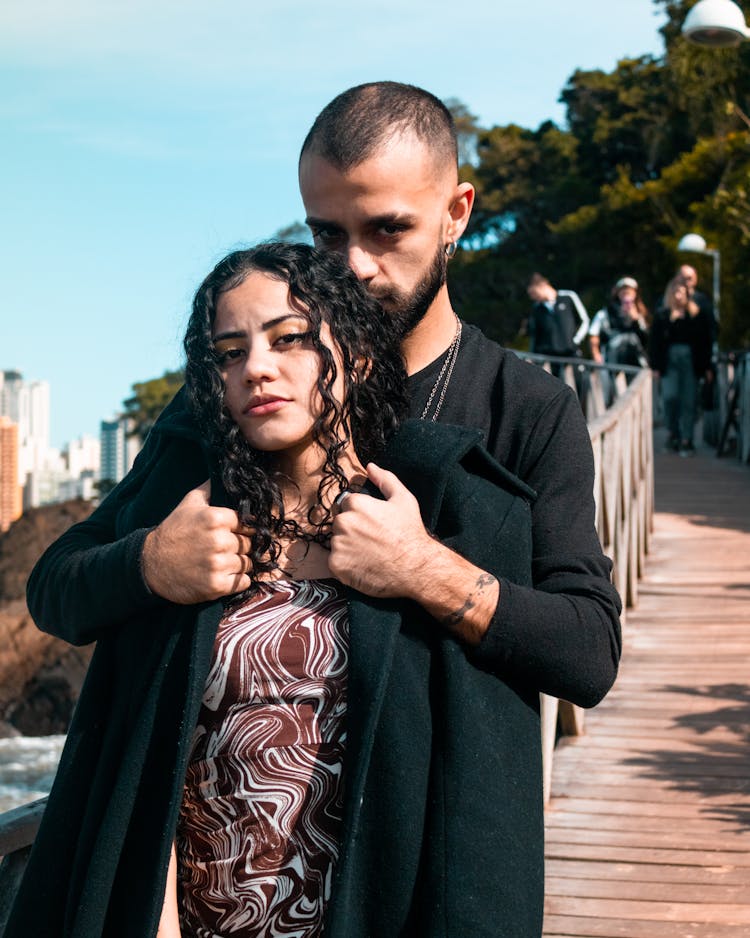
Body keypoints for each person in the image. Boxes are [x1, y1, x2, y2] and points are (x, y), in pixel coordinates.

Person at [15, 82, 621, 937]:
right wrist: (151, 563)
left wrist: (427, 570)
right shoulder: (216, 420)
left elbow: (590, 650)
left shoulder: (522, 409)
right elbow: (58, 588)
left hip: (416, 889)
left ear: (457, 212)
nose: (354, 265)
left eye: (388, 229)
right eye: (326, 234)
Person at [650, 275, 714, 455]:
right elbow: (654, 342)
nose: (679, 296)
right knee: (670, 397)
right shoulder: (663, 315)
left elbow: (705, 342)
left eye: (682, 292)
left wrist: (707, 366)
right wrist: (655, 366)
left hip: (691, 362)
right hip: (669, 362)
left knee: (689, 400)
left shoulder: (696, 314)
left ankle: (687, 439)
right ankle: (672, 433)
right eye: (676, 292)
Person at [526, 272, 590, 369]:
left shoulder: (568, 297)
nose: (533, 297)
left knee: (579, 382)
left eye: (533, 293)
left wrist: (575, 340)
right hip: (552, 359)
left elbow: (584, 320)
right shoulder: (537, 309)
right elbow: (535, 335)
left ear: (542, 285)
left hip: (572, 354)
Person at [589, 276, 649, 371]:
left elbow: (647, 339)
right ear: (617, 293)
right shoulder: (605, 313)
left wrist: (636, 320)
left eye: (629, 290)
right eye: (623, 290)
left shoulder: (641, 315)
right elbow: (593, 335)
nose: (626, 292)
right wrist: (596, 354)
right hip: (612, 363)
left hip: (637, 364)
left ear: (635, 293)